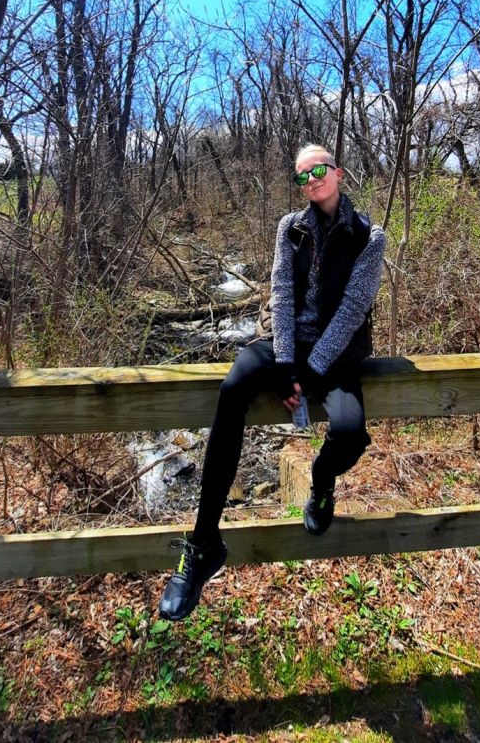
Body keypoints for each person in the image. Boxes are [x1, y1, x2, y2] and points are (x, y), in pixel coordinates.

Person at [159, 143, 386, 621]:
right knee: (234, 385)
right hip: (288, 348)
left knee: (348, 433)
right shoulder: (291, 228)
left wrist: (309, 371)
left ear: (338, 174)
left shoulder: (369, 235)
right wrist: (285, 365)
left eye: (319, 170)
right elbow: (280, 294)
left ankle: (321, 484)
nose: (311, 180)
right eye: (302, 175)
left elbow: (352, 312)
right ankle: (203, 545)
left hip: (338, 355)